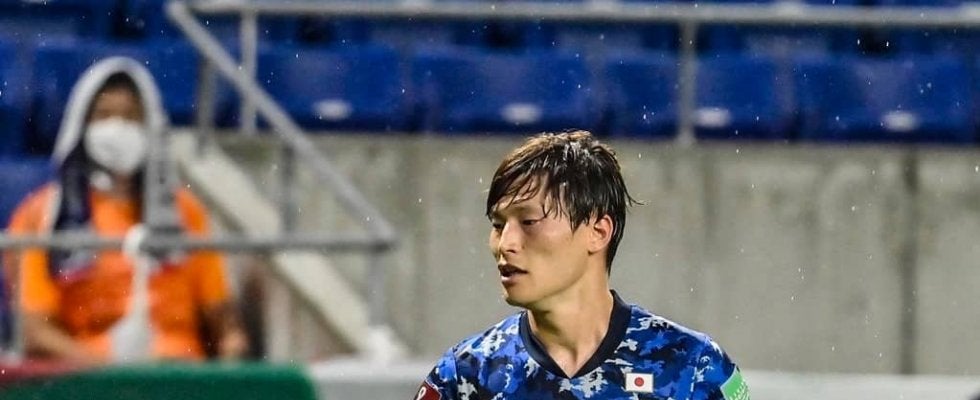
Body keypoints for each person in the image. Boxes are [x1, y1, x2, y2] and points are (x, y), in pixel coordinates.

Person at [415, 131, 748, 399]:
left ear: (598, 232)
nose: (506, 244)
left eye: (529, 222)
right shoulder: (465, 376)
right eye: (498, 225)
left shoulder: (694, 367)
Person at [5, 57, 247, 363]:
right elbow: (36, 331)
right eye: (104, 115)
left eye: (131, 117)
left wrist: (231, 357)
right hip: (91, 373)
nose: (118, 127)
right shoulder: (47, 214)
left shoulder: (186, 212)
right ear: (82, 125)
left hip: (180, 372)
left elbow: (223, 320)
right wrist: (109, 370)